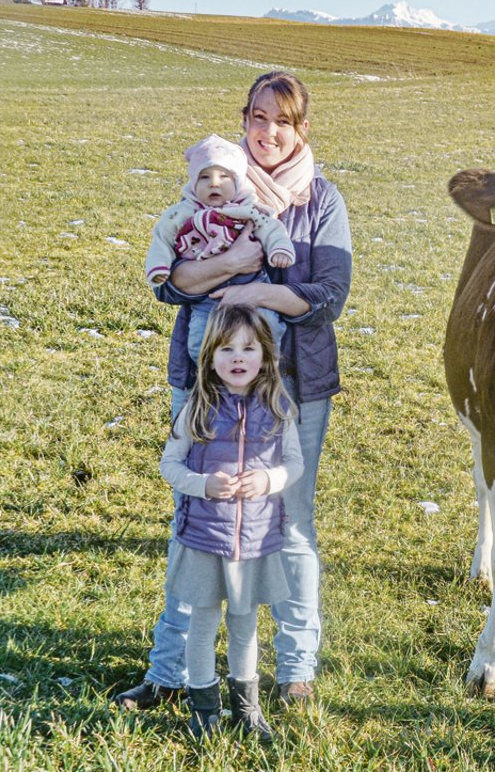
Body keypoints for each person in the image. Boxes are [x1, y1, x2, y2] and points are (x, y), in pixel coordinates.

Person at [116, 70, 352, 710]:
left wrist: (251, 290)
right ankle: (170, 672)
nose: (268, 132)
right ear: (243, 120)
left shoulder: (322, 201)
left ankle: (294, 669)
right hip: (202, 385)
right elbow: (168, 282)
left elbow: (328, 296)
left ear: (302, 129)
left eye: (283, 120)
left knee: (291, 521)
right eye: (257, 117)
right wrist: (232, 261)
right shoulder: (209, 184)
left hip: (294, 385)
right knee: (191, 521)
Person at [161, 304, 302, 741]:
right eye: (226, 349)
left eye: (248, 348)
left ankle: (247, 710)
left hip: (255, 540)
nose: (237, 358)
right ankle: (204, 710)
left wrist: (269, 478)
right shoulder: (198, 409)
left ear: (265, 356)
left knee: (245, 628)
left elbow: (295, 463)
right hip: (205, 538)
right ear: (209, 356)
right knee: (202, 625)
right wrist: (204, 485)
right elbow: (170, 465)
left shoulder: (278, 409)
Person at [144, 133, 294, 365]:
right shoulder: (183, 214)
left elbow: (272, 229)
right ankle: (213, 376)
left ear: (238, 183)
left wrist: (280, 250)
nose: (214, 183)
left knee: (269, 326)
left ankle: (264, 371)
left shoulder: (247, 210)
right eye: (205, 177)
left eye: (224, 177)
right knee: (198, 340)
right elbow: (161, 239)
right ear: (194, 183)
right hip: (207, 298)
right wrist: (159, 267)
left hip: (253, 287)